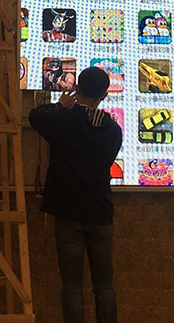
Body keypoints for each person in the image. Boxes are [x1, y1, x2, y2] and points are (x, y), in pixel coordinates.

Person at [29, 67, 123, 323]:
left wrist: (60, 106)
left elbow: (35, 117)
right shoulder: (113, 130)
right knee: (104, 285)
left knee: (72, 286)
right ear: (104, 95)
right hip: (100, 211)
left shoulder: (63, 120)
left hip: (68, 211)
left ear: (77, 89)